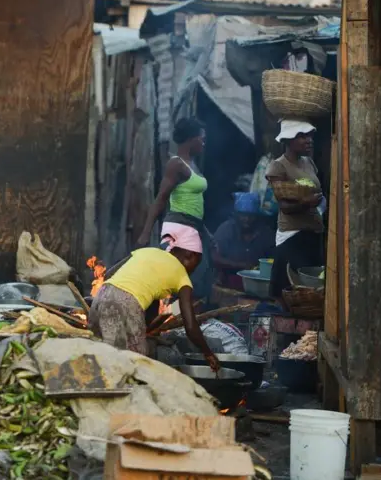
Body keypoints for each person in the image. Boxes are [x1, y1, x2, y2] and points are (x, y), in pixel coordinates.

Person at [90, 226, 220, 370]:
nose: (194, 270)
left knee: (100, 358)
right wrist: (208, 353)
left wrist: (146, 328)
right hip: (126, 304)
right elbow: (190, 325)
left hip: (100, 298)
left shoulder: (148, 252)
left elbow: (108, 275)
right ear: (191, 255)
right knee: (135, 365)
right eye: (197, 264)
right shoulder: (182, 276)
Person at [136, 118, 214, 299]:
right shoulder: (176, 164)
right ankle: (168, 321)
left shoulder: (193, 165)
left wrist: (206, 232)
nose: (203, 143)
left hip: (194, 228)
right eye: (201, 139)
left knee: (196, 283)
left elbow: (194, 204)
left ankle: (184, 322)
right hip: (179, 229)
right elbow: (161, 198)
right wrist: (145, 233)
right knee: (175, 282)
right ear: (191, 139)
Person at [266, 121, 325, 298]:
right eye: (302, 136)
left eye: (309, 136)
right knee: (291, 289)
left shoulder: (308, 163)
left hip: (313, 234)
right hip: (293, 237)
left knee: (313, 289)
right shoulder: (278, 166)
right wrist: (307, 202)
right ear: (288, 140)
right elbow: (284, 206)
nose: (309, 140)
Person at [213, 192, 275, 290]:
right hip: (227, 281)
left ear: (257, 216)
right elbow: (214, 257)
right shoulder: (226, 229)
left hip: (257, 285)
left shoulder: (266, 234)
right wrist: (240, 265)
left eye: (251, 215)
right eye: (243, 215)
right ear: (236, 214)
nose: (246, 219)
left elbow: (273, 260)